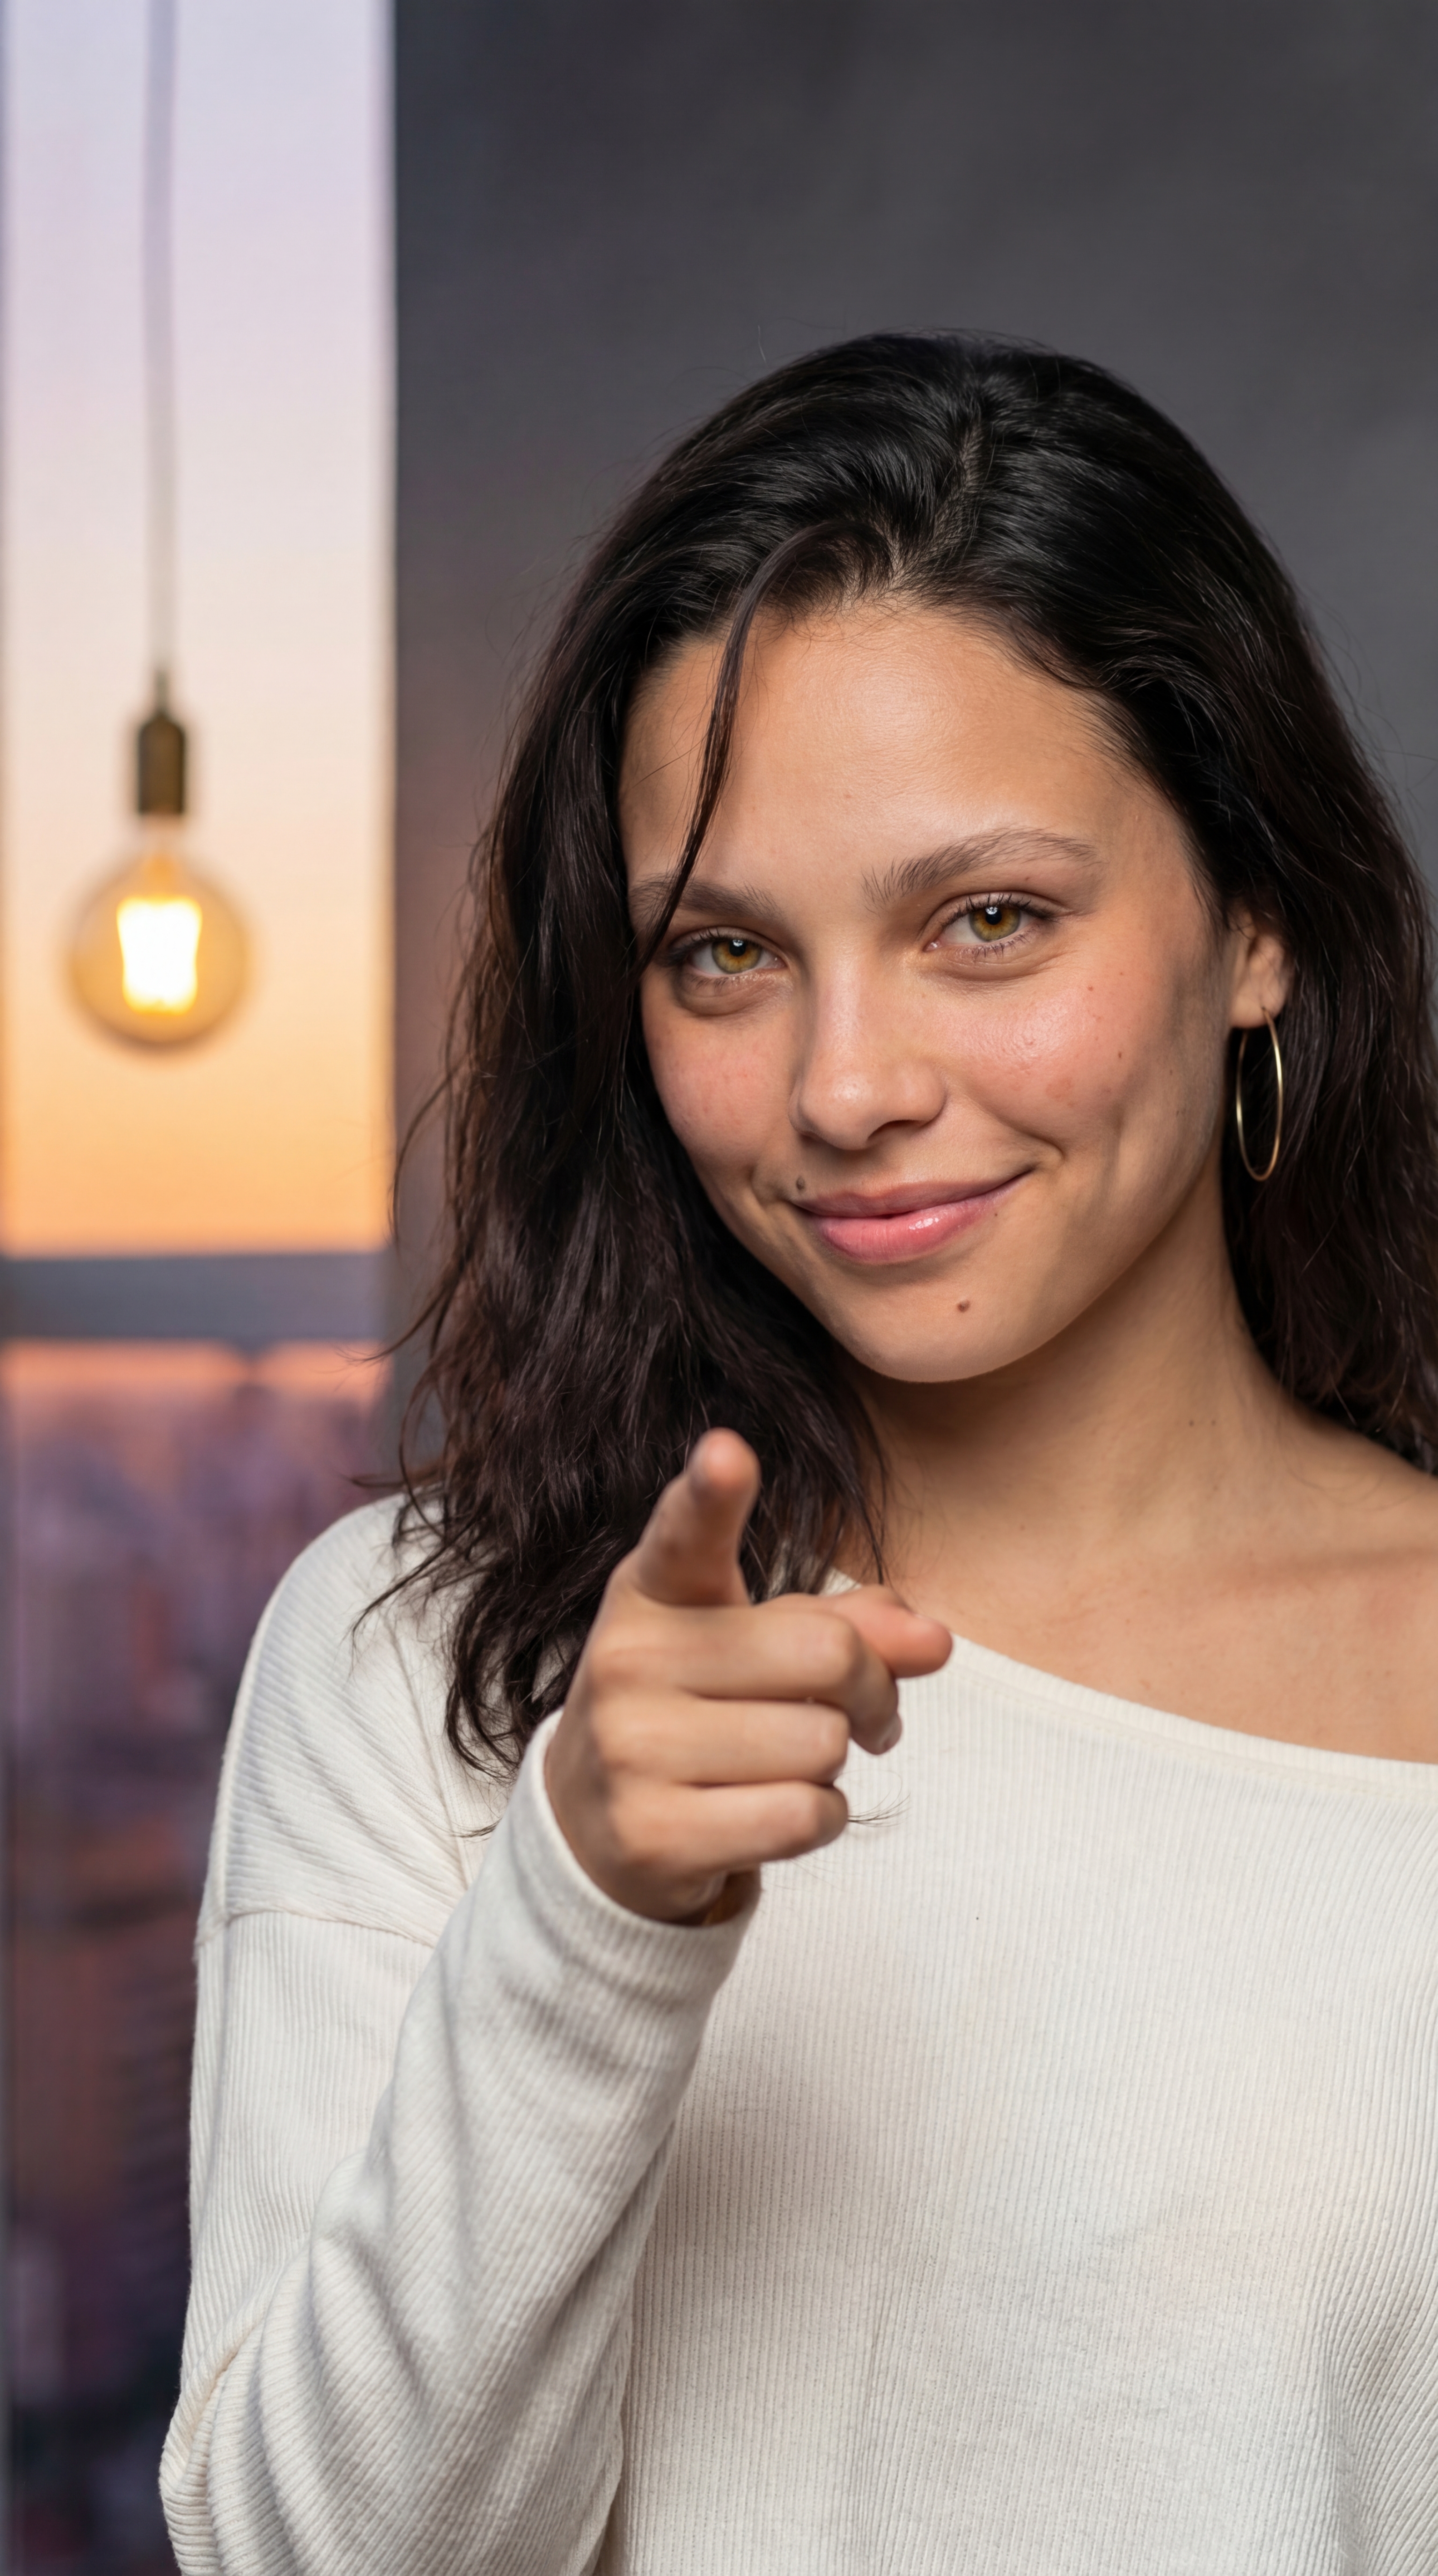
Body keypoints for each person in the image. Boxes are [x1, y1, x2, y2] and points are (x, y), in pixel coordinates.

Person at [161, 336, 1438, 2574]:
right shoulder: (438, 1667)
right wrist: (582, 1912)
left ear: (1262, 926)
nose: (845, 1083)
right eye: (726, 952)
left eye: (987, 921)